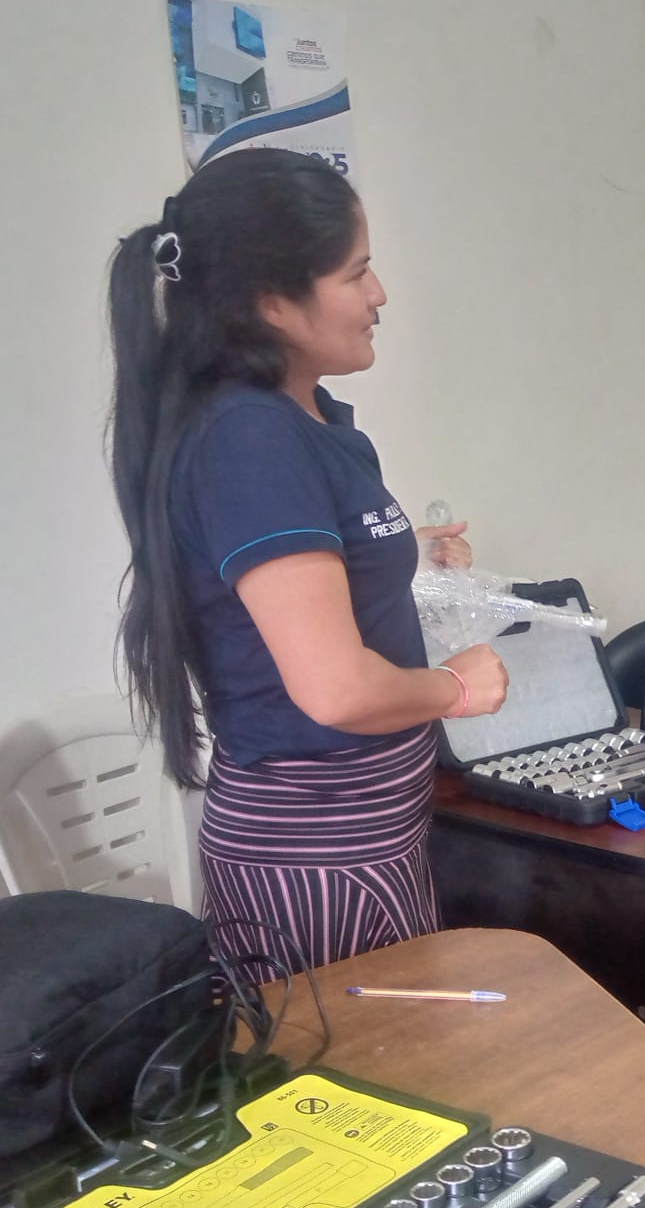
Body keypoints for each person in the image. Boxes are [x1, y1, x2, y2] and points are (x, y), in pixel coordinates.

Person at [108, 148, 509, 972]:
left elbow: (300, 581)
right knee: (357, 1057)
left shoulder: (307, 419)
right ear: (272, 303)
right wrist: (456, 688)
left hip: (371, 834)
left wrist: (404, 556)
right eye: (356, 274)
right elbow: (337, 690)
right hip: (317, 857)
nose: (379, 294)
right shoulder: (248, 439)